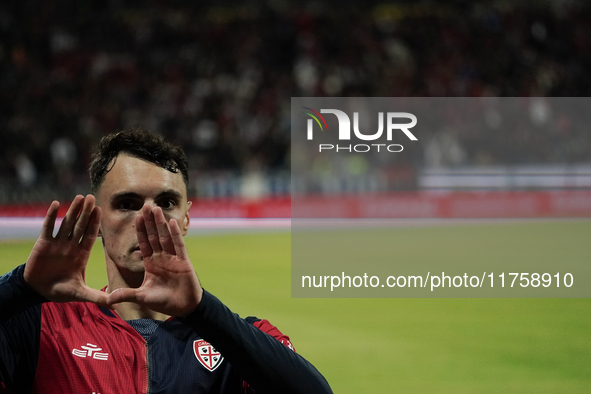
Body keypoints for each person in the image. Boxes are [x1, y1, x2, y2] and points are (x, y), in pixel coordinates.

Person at [0, 129, 333, 393]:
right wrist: (21, 288)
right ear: (97, 219)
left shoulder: (233, 343)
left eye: (166, 202)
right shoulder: (41, 328)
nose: (148, 217)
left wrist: (201, 311)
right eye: (127, 203)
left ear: (186, 218)